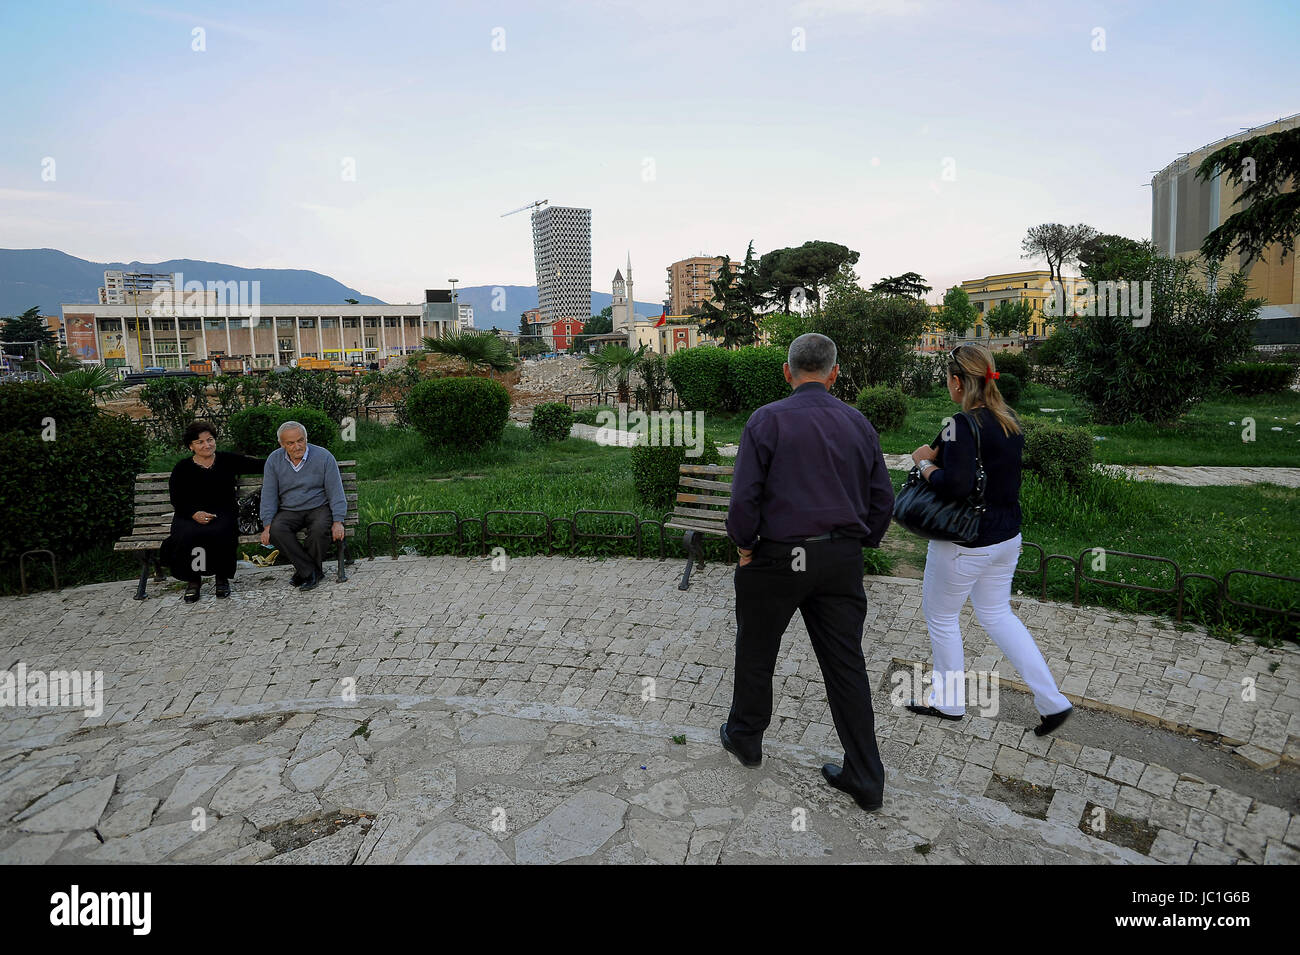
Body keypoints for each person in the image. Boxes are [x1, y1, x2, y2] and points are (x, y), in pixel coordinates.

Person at [721, 333, 895, 812]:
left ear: (787, 371)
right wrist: (860, 544)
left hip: (776, 557)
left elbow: (744, 499)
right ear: (834, 373)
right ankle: (865, 775)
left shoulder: (766, 420)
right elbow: (883, 499)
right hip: (839, 560)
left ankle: (746, 738)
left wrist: (744, 543)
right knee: (846, 665)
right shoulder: (858, 423)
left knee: (756, 650)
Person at [907, 344, 1073, 736]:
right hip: (1006, 539)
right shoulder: (1008, 419)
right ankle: (1052, 701)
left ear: (956, 380)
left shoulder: (962, 424)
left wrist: (925, 465)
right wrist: (937, 451)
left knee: (943, 617)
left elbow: (956, 485)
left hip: (963, 544)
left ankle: (949, 701)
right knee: (998, 615)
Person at [165, 420, 266, 602]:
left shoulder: (226, 460)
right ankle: (194, 580)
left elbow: (258, 465)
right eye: (200, 442)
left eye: (210, 440)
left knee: (221, 531)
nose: (207, 445)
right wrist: (194, 513)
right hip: (190, 513)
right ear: (191, 446)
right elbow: (176, 498)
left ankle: (222, 577)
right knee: (189, 534)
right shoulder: (182, 468)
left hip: (223, 511)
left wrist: (287, 455)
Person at [259, 420, 347, 592]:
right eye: (290, 443)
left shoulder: (324, 457)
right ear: (282, 444)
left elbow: (335, 490)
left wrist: (338, 520)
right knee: (276, 531)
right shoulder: (274, 460)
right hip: (289, 509)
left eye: (300, 440)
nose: (297, 446)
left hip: (318, 506)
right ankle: (311, 571)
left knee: (319, 529)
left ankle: (305, 573)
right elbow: (268, 494)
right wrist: (267, 524)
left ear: (306, 439)